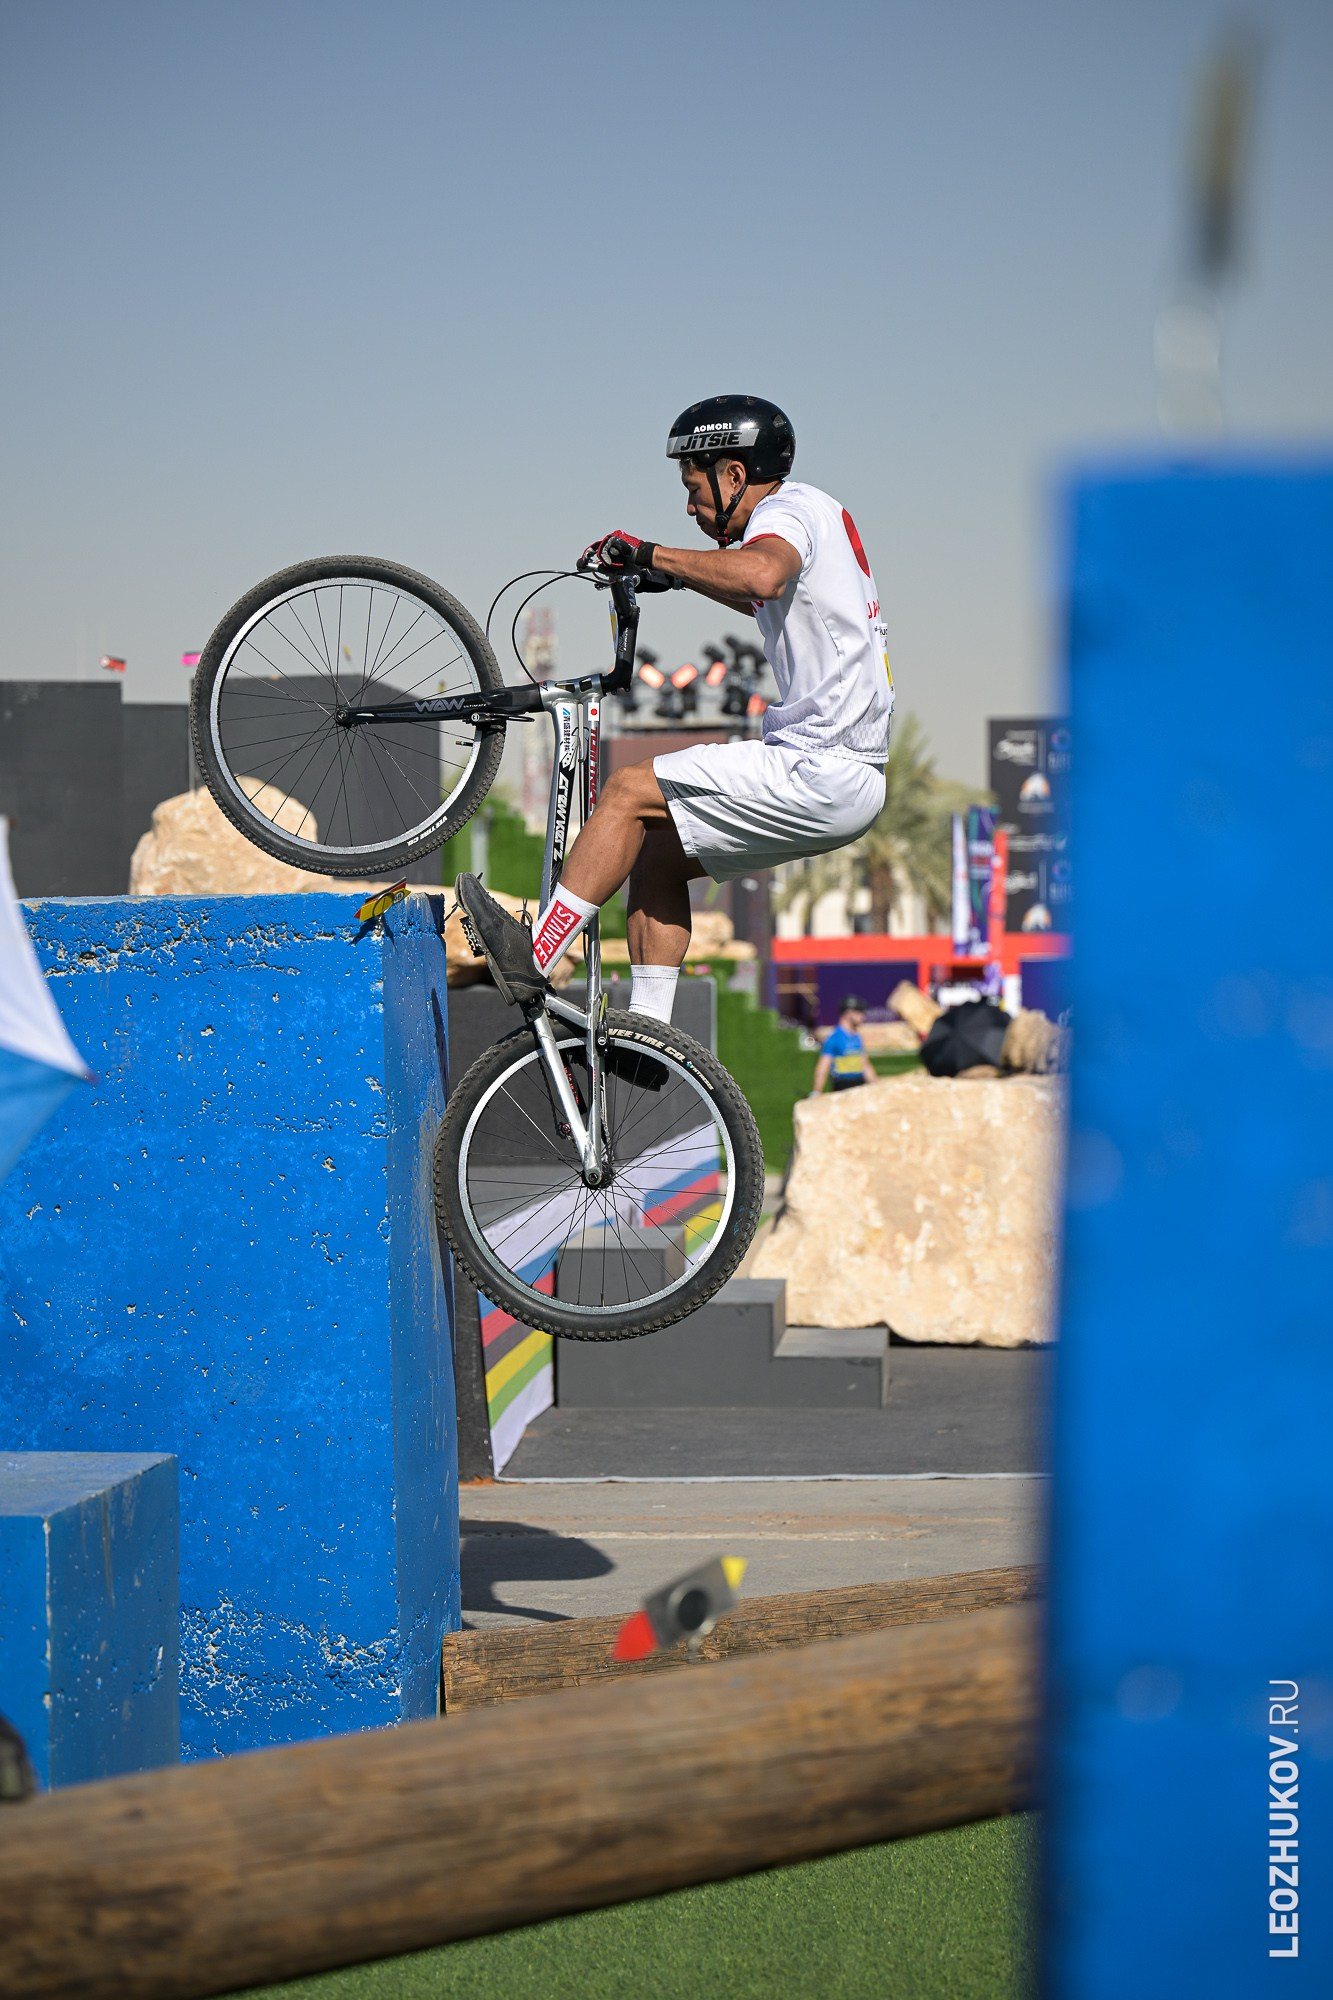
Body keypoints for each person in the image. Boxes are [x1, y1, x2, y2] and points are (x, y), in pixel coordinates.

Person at [457, 394, 894, 1024]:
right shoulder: (813, 513)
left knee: (626, 791)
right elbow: (764, 595)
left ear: (734, 475)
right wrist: (680, 575)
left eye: (694, 488)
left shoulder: (786, 511)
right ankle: (651, 1036)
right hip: (844, 777)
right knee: (656, 852)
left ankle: (538, 955)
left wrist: (649, 553)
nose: (690, 507)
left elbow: (762, 577)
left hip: (819, 767)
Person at [810, 996, 878, 1095]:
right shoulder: (834, 1038)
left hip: (860, 1087)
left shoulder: (857, 1038)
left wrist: (876, 1086)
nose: (863, 1016)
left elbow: (865, 1064)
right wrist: (817, 1091)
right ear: (848, 1013)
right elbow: (823, 1067)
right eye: (859, 1012)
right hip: (842, 1087)